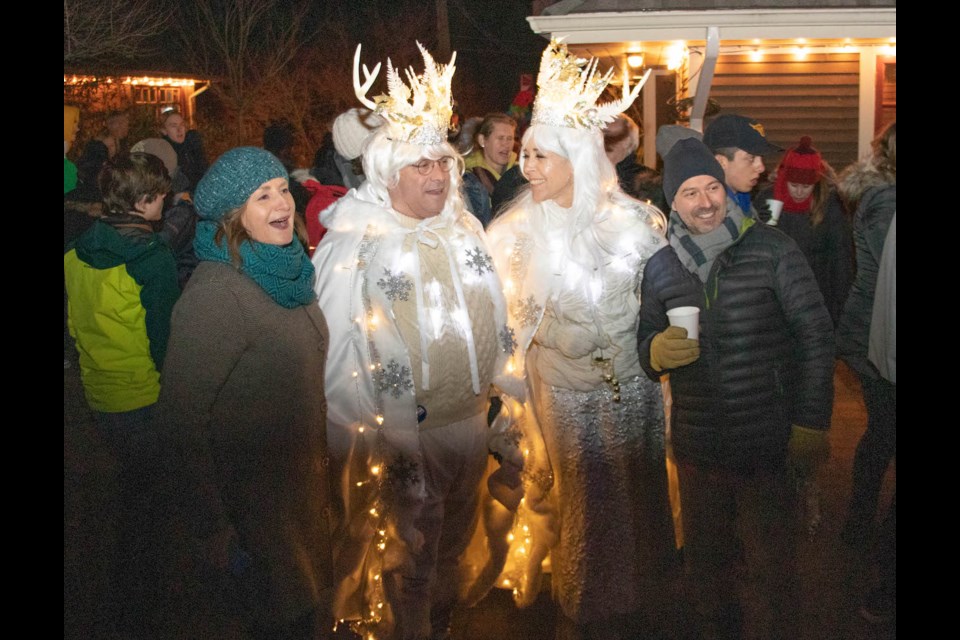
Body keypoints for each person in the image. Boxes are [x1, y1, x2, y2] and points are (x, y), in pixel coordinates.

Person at [312, 42, 518, 640]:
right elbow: (337, 361)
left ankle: (443, 624)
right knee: (410, 558)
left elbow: (494, 318)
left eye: (442, 164)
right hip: (406, 434)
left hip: (473, 421)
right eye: (419, 165)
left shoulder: (465, 230)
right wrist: (362, 448)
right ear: (386, 170)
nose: (435, 175)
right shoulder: (357, 244)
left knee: (454, 542)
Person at [485, 39, 677, 639]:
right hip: (566, 397)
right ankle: (587, 608)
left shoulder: (637, 225)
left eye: (541, 156)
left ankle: (648, 597)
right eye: (525, 154)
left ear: (576, 157)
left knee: (639, 493)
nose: (528, 167)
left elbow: (670, 300)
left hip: (637, 394)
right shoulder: (513, 236)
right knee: (587, 509)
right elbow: (499, 327)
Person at [637, 137, 835, 639]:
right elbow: (643, 343)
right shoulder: (662, 267)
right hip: (700, 448)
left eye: (712, 187)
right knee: (708, 572)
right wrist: (654, 352)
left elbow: (816, 337)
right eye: (688, 193)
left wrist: (810, 423)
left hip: (768, 442)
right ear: (671, 202)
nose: (705, 202)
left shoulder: (772, 249)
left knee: (774, 570)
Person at [159, 147, 333, 639]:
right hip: (256, 511)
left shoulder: (290, 271)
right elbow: (179, 421)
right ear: (234, 216)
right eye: (263, 195)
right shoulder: (217, 294)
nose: (282, 202)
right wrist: (213, 524)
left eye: (283, 188)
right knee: (281, 620)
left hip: (303, 492)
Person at [64, 152, 179, 630]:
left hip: (99, 394)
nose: (166, 201)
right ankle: (136, 606)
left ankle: (122, 593)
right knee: (150, 505)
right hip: (146, 396)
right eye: (162, 195)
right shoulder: (153, 259)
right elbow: (163, 338)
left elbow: (75, 326)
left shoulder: (72, 254)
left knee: (132, 491)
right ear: (145, 200)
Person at [836, 121, 897, 547]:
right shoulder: (883, 203)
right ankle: (859, 526)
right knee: (883, 434)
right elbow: (879, 280)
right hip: (876, 337)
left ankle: (858, 527)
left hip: (878, 334)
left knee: (882, 433)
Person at [756, 135, 853, 325]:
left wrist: (841, 308)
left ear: (816, 184)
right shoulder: (767, 200)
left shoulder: (829, 206)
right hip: (776, 300)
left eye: (806, 186)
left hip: (819, 297)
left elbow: (841, 260)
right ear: (784, 180)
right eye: (794, 185)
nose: (800, 192)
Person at [703, 113, 782, 218]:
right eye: (751, 158)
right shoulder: (708, 212)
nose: (761, 168)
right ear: (721, 162)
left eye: (761, 157)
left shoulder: (742, 197)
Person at [462, 113, 518, 227]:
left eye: (510, 139)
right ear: (482, 140)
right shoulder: (467, 179)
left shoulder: (522, 173)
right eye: (500, 138)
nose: (506, 144)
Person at [159, 108, 208, 193]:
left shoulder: (192, 146)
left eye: (181, 125)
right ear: (164, 130)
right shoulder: (164, 153)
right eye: (173, 126)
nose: (179, 130)